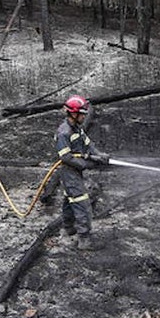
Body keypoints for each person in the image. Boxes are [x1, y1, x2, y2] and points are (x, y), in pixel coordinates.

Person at [55, 95, 110, 250]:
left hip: (75, 170)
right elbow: (65, 157)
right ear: (73, 113)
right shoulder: (63, 133)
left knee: (70, 199)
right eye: (82, 114)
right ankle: (84, 239)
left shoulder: (77, 129)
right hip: (69, 171)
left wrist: (99, 154)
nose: (84, 116)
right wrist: (85, 164)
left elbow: (88, 144)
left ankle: (68, 228)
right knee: (82, 202)